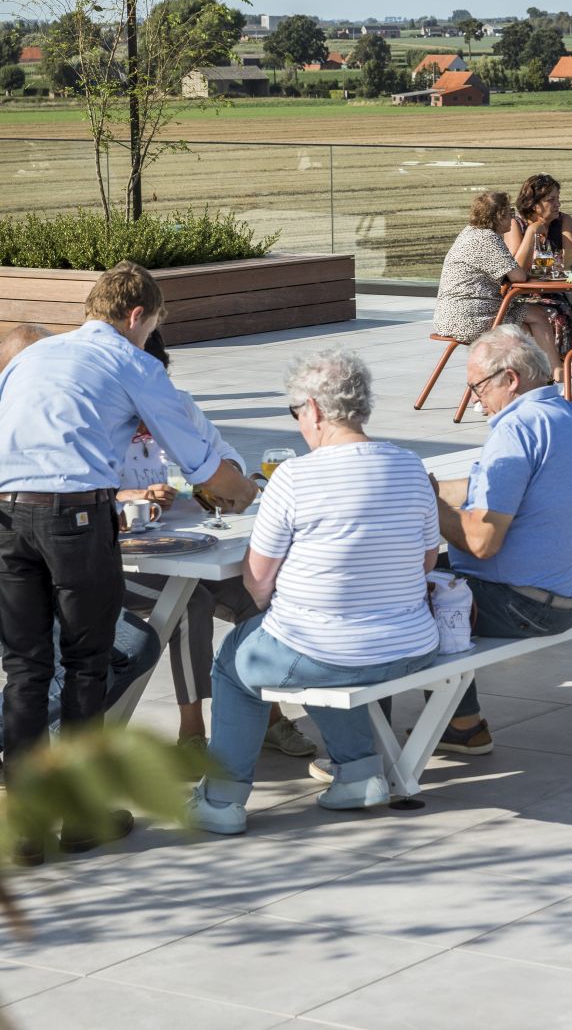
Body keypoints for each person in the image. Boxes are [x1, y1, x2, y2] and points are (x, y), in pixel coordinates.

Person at [0, 262, 257, 864]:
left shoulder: (32, 358)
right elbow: (204, 467)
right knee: (89, 663)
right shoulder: (132, 362)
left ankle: (27, 826)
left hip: (7, 517)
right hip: (76, 519)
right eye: (150, 327)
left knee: (26, 668)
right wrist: (248, 492)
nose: (148, 339)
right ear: (137, 316)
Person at [187, 348, 440, 835]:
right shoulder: (410, 466)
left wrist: (280, 607)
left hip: (329, 647)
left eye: (296, 411)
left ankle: (222, 800)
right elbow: (426, 560)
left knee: (243, 659)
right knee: (311, 640)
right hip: (410, 647)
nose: (299, 422)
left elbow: (257, 580)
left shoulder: (296, 478)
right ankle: (358, 774)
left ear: (316, 410)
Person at [120, 330, 315, 769]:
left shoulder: (179, 406)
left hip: (186, 545)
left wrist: (206, 485)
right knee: (191, 600)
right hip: (122, 561)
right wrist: (130, 498)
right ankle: (192, 732)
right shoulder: (94, 420)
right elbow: (78, 497)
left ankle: (270, 716)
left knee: (255, 594)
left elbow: (231, 461)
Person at [429, 326, 572, 754]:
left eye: (477, 386)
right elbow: (480, 484)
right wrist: (422, 485)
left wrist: (424, 507)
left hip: (523, 605)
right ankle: (460, 721)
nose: (473, 397)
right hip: (569, 599)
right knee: (432, 574)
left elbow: (482, 542)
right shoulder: (564, 415)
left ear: (510, 380)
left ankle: (371, 750)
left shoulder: (514, 430)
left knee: (395, 593)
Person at [0, 322, 160, 762]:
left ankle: (33, 813)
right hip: (59, 537)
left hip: (31, 541)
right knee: (90, 661)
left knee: (31, 671)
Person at [433, 190, 563, 381]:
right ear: (498, 216)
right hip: (469, 317)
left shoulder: (470, 233)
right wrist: (532, 233)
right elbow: (518, 276)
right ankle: (559, 376)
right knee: (539, 316)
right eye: (509, 212)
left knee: (526, 329)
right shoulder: (487, 239)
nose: (512, 217)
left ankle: (512, 383)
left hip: (450, 315)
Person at [503, 173, 572, 362]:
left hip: (554, 294)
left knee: (561, 312)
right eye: (551, 200)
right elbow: (517, 269)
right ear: (533, 203)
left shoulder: (564, 222)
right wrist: (531, 232)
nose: (557, 204)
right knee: (553, 315)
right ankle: (553, 372)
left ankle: (561, 370)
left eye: (558, 199)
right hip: (522, 296)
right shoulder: (516, 224)